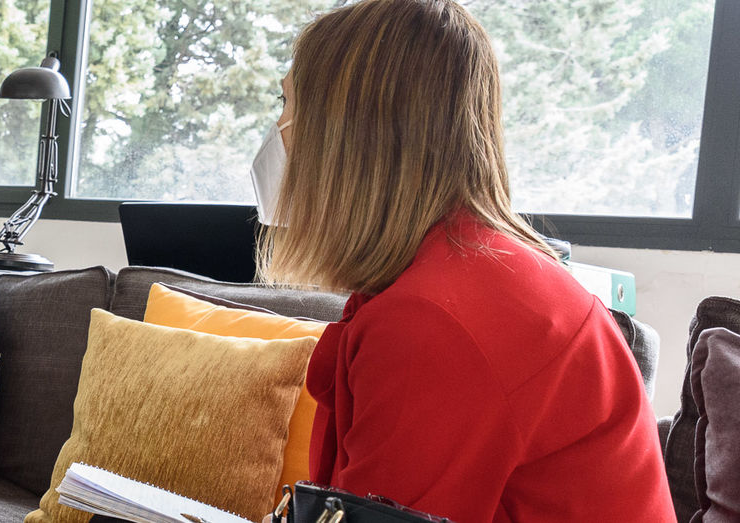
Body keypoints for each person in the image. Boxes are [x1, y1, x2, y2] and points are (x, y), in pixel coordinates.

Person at [256, 1, 674, 521]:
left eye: (287, 104)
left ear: (347, 136)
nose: (279, 129)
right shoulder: (474, 273)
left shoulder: (435, 322)